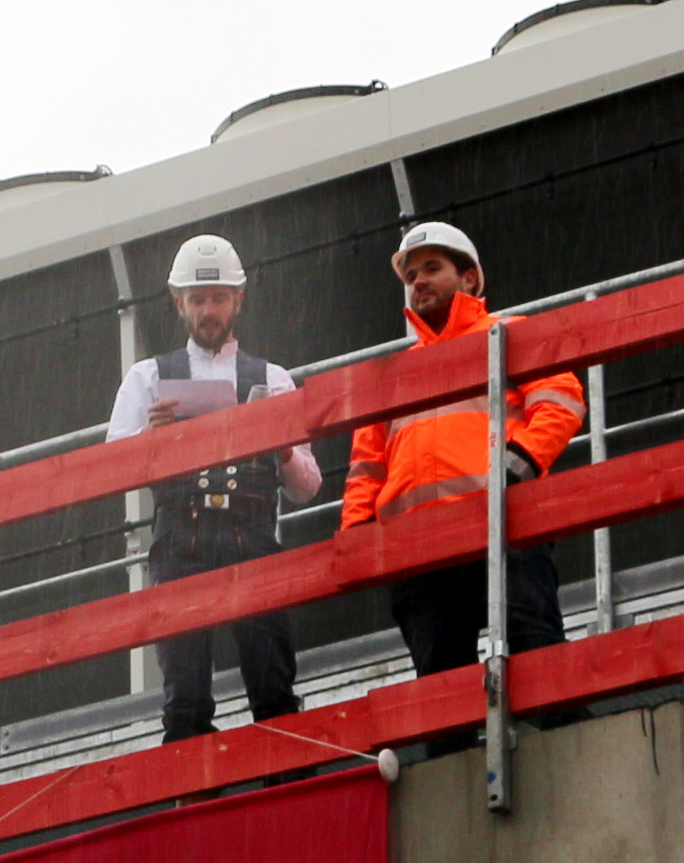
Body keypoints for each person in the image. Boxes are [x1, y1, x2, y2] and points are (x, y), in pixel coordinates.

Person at [341, 220, 582, 759]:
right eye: (411, 273)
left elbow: (560, 400)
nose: (418, 281)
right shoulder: (389, 375)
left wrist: (513, 468)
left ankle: (574, 759)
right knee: (439, 685)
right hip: (419, 553)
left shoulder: (509, 332)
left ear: (470, 279)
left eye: (433, 268)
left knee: (535, 647)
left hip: (504, 526)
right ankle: (452, 787)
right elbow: (365, 468)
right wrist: (357, 539)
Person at [104, 235, 329, 739]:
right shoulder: (146, 378)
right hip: (178, 544)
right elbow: (111, 469)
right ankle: (191, 811)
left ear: (238, 301)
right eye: (199, 299)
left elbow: (307, 486)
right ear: (178, 302)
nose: (209, 311)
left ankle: (282, 796)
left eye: (219, 298)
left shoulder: (274, 378)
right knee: (184, 699)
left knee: (273, 687)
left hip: (253, 540)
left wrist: (282, 446)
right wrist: (150, 442)